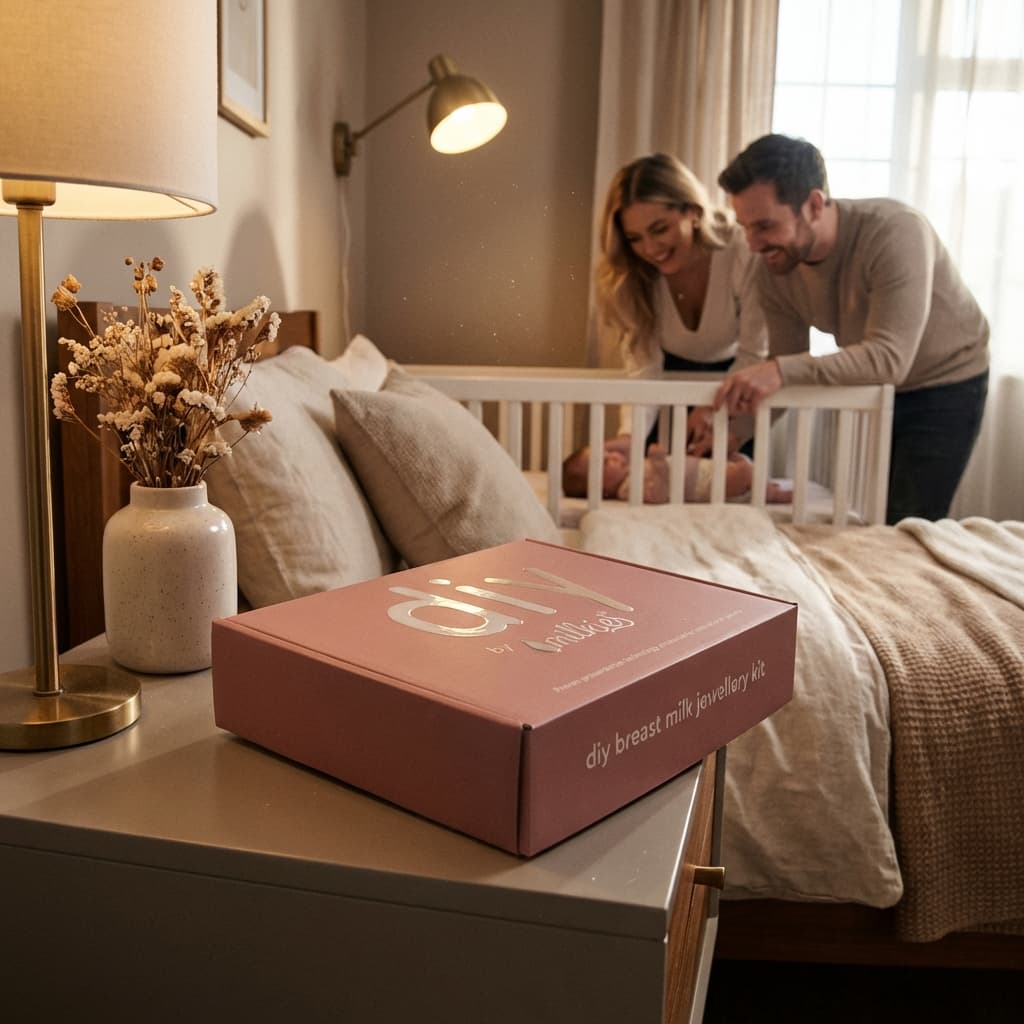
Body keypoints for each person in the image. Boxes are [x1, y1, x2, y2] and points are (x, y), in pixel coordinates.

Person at [711, 134, 989, 524]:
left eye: (765, 226)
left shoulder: (894, 232)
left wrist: (778, 370)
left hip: (947, 379)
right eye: (745, 227)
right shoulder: (773, 268)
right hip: (875, 385)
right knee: (871, 521)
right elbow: (787, 364)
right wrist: (732, 433)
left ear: (814, 205)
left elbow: (889, 359)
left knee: (908, 522)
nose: (753, 244)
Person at [595, 152, 767, 453]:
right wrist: (629, 436)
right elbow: (644, 370)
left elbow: (755, 352)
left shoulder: (742, 250)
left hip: (737, 381)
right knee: (651, 473)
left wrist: (714, 410)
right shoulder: (631, 279)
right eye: (635, 238)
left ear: (693, 211)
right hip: (663, 385)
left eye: (660, 229)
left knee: (730, 476)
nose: (650, 248)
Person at [561, 437, 792, 504]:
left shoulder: (631, 473)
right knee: (745, 472)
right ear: (601, 489)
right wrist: (659, 463)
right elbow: (658, 494)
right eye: (604, 463)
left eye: (607, 453)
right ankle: (772, 494)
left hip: (706, 472)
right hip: (706, 486)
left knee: (739, 462)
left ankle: (762, 486)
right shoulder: (628, 489)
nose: (613, 456)